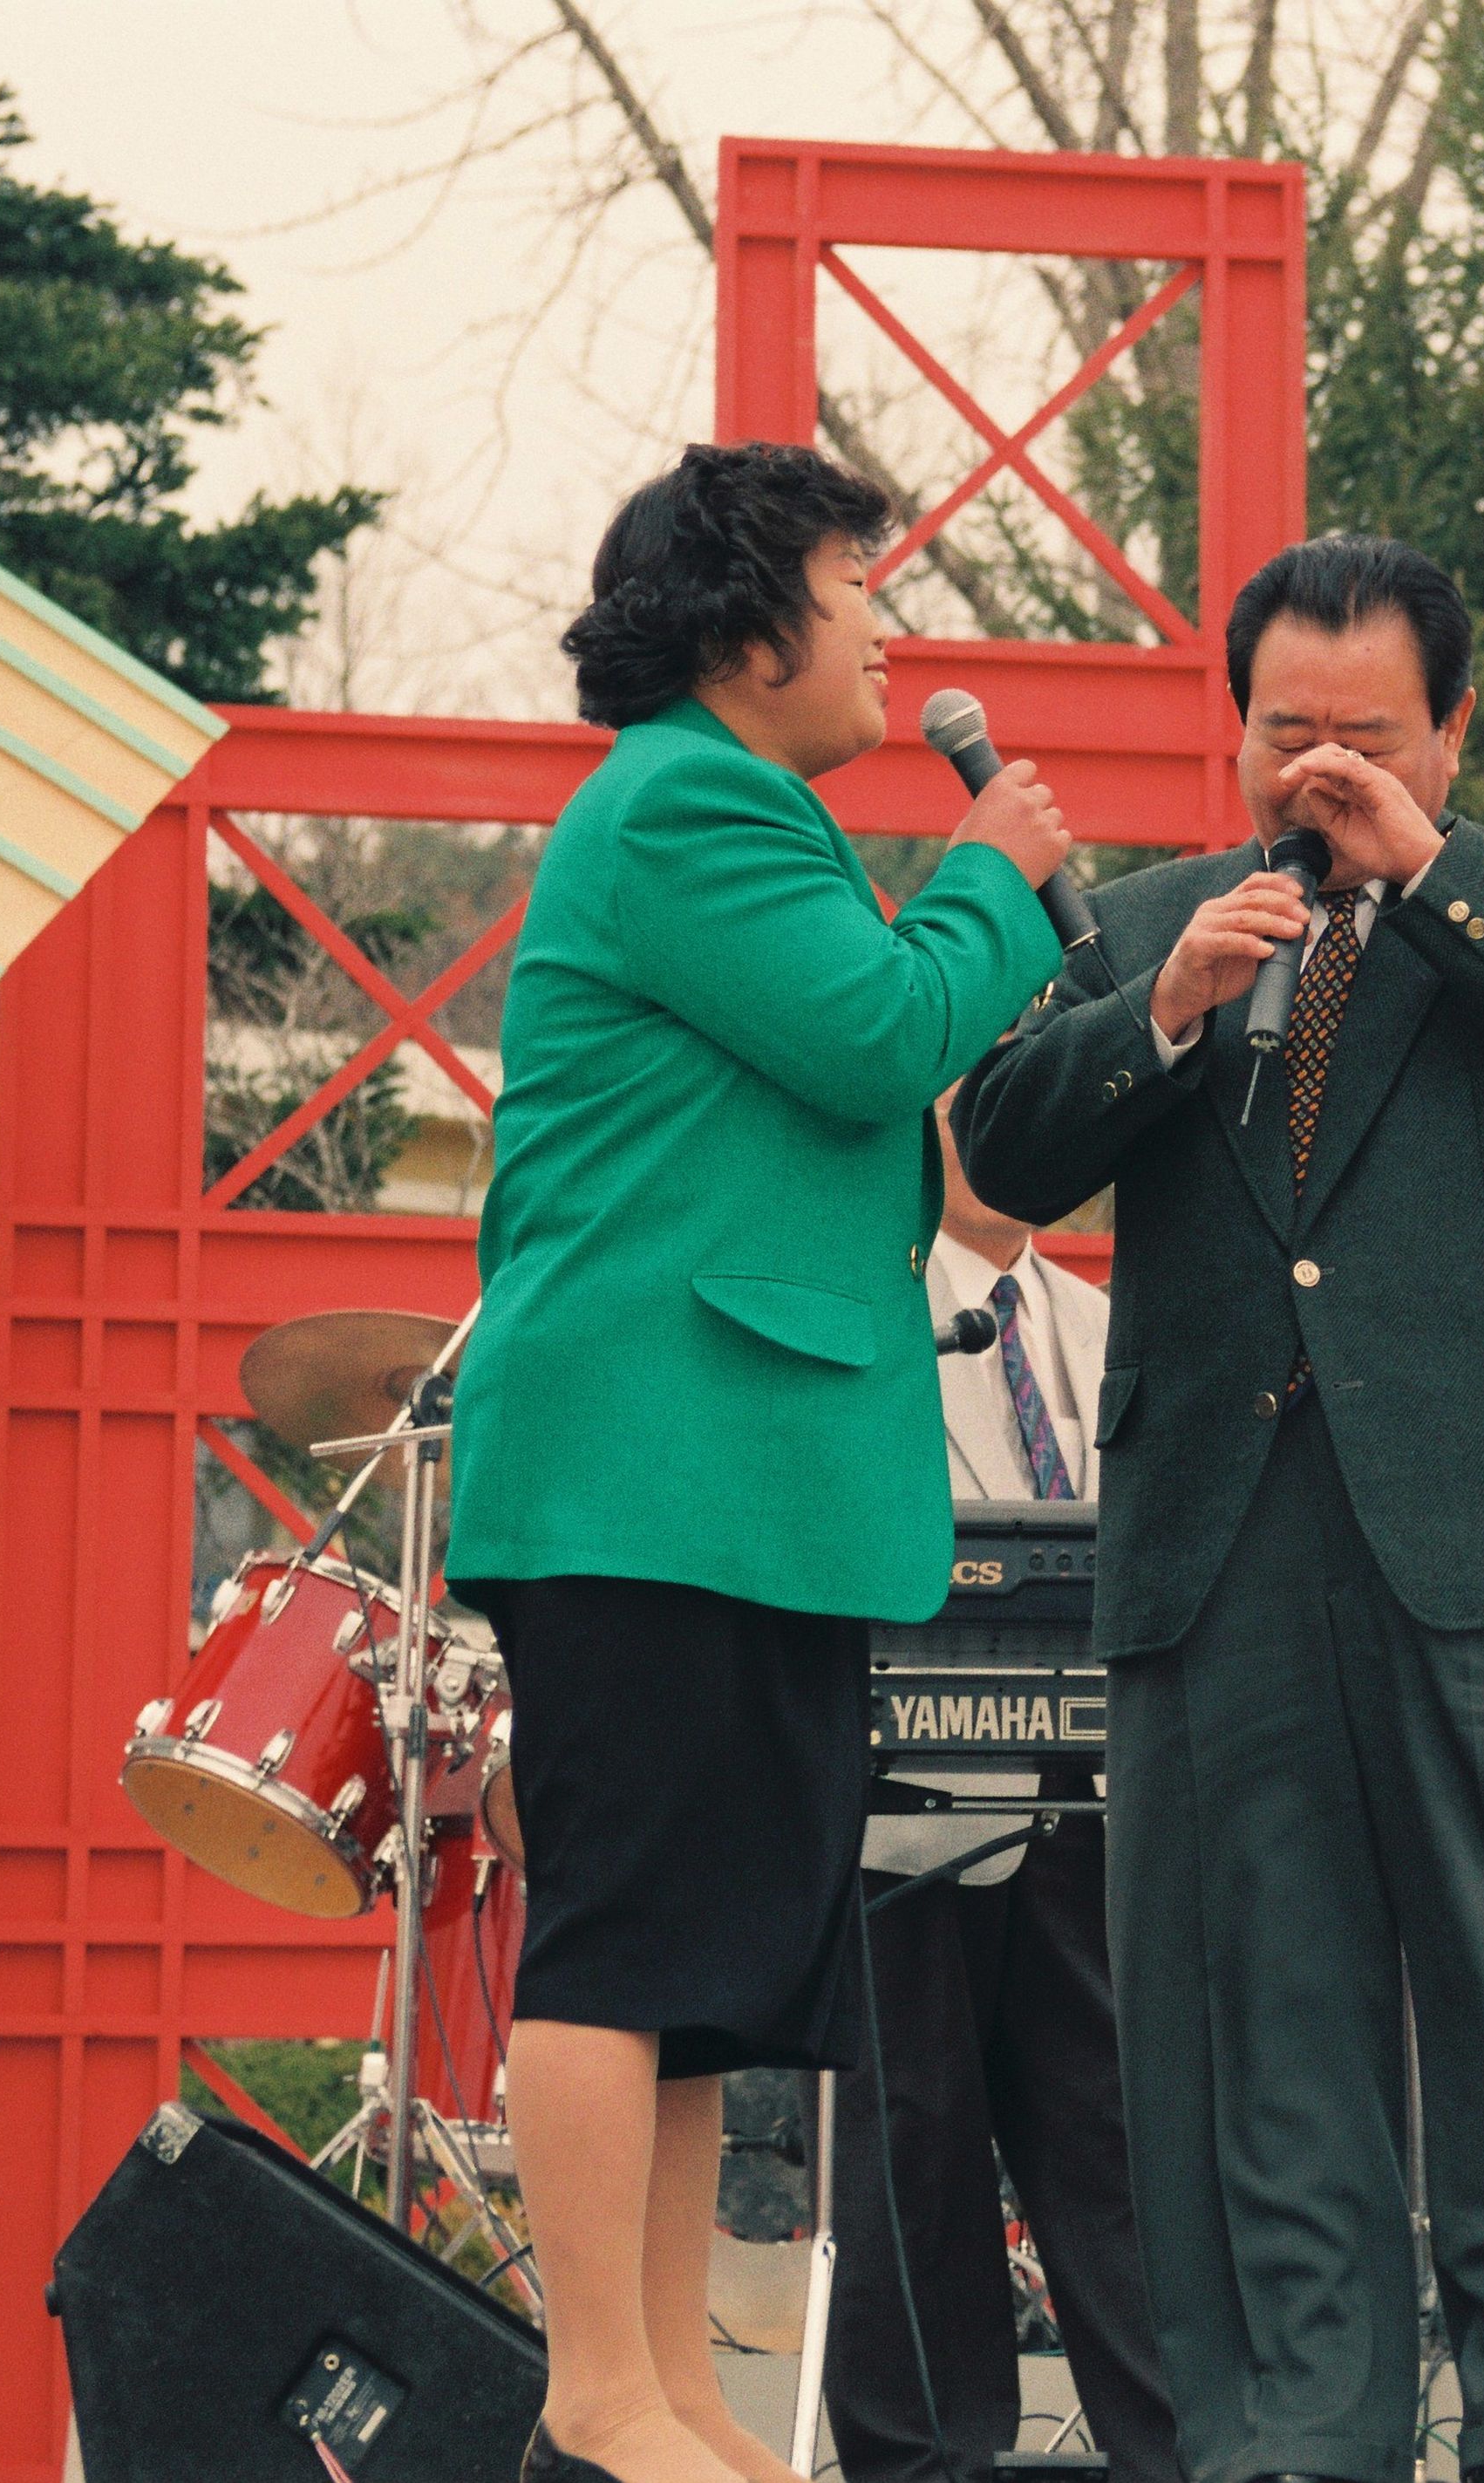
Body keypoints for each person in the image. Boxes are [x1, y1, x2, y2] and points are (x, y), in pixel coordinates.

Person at [955, 533, 1484, 2483]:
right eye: (1288, 732)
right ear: (1234, 727)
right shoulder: (1144, 919)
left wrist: (1424, 871)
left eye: (1366, 735)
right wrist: (1162, 1010)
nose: (1323, 770)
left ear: (1452, 728)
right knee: (1252, 2012)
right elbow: (1004, 1149)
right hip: (1217, 1539)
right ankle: (1300, 2431)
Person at [446, 440, 1073, 2483]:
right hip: (653, 1472)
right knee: (625, 1934)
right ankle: (594, 2387)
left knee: (705, 1975)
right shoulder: (689, 802)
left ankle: (677, 2384)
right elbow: (882, 1031)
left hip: (737, 1483)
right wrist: (993, 869)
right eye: (854, 579)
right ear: (741, 629)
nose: (887, 622)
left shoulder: (746, 816)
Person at [820, 1101, 1178, 2483]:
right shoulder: (866, 1309)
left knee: (1124, 2148)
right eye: (981, 1096)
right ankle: (929, 2460)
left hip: (1102, 1804)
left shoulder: (1109, 1322)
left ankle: (1183, 2448)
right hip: (906, 1802)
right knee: (912, 2152)